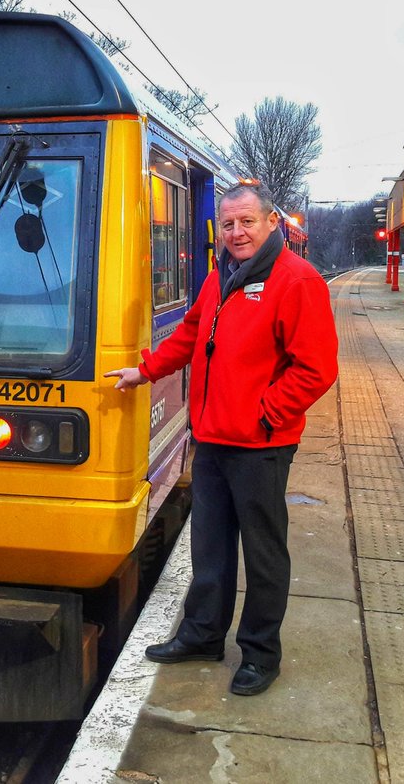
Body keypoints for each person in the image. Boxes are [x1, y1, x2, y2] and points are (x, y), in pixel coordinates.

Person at [105, 184, 337, 697]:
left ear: (271, 222)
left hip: (260, 445)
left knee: (263, 552)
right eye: (228, 224)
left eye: (246, 222)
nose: (237, 233)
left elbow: (316, 369)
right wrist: (144, 371)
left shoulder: (297, 281)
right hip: (210, 439)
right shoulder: (221, 277)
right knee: (208, 547)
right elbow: (190, 334)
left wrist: (264, 415)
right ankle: (203, 636)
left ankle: (260, 653)